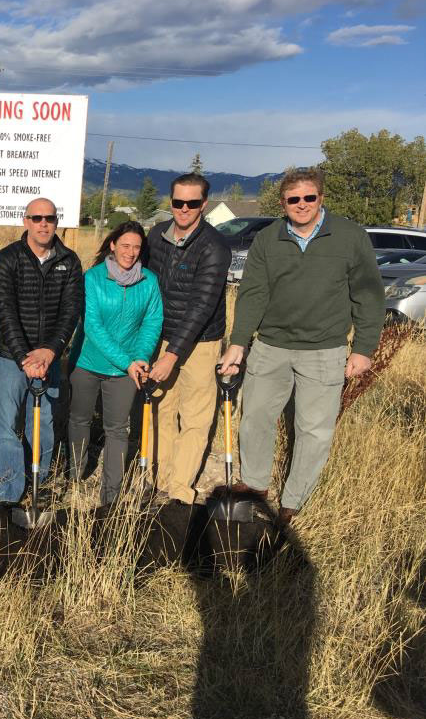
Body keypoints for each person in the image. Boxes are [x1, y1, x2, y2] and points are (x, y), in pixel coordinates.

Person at [218, 168, 384, 524]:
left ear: (321, 198)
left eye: (309, 197)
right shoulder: (268, 238)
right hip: (271, 346)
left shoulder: (349, 236)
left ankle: (293, 502)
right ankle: (256, 488)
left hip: (325, 350)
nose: (302, 205)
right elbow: (253, 294)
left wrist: (364, 347)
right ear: (283, 203)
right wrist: (238, 344)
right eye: (294, 199)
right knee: (255, 419)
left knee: (314, 430)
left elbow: (368, 296)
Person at [144, 173, 231, 506]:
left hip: (201, 343)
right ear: (171, 202)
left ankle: (179, 490)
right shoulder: (156, 235)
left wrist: (171, 356)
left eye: (192, 203)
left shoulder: (214, 246)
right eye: (178, 202)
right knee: (161, 408)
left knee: (194, 416)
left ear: (204, 205)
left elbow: (202, 306)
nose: (184, 209)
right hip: (161, 335)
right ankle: (159, 480)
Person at [0, 197, 83, 502]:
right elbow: (4, 312)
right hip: (10, 358)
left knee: (42, 423)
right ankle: (6, 492)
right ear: (26, 221)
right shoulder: (6, 259)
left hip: (49, 359)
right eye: (37, 218)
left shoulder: (69, 261)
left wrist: (50, 351)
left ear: (57, 222)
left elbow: (71, 311)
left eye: (50, 218)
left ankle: (37, 483)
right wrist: (24, 357)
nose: (44, 224)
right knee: (6, 425)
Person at [67, 222, 163, 507]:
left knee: (118, 429)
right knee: (79, 419)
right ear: (112, 245)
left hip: (126, 371)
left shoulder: (149, 281)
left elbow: (152, 321)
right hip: (87, 362)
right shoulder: (93, 278)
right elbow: (93, 327)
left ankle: (111, 493)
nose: (130, 252)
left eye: (136, 247)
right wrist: (127, 362)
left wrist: (142, 356)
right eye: (125, 245)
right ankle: (75, 474)